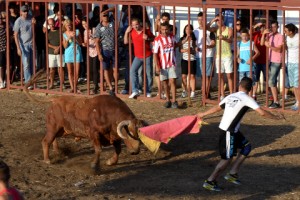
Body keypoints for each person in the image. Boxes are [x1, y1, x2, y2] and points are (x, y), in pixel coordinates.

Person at [197, 77, 284, 191]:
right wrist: (276, 118)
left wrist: (203, 113)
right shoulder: (247, 99)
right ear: (251, 88)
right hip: (228, 131)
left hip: (232, 130)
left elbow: (218, 108)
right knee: (226, 159)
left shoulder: (231, 96)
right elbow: (262, 113)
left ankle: (232, 173)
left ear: (239, 85)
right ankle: (210, 181)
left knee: (246, 147)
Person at [124, 18, 154, 98]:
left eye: (136, 24)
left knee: (149, 74)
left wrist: (148, 38)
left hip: (147, 55)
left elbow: (154, 39)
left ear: (139, 24)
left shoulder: (146, 31)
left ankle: (148, 91)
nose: (135, 26)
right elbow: (125, 42)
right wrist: (126, 32)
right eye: (133, 25)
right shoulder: (132, 32)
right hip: (137, 56)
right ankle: (135, 90)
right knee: (132, 71)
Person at [153, 22, 181, 108]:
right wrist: (157, 65)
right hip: (162, 65)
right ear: (160, 30)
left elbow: (176, 45)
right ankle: (168, 100)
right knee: (165, 83)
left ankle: (174, 101)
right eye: (162, 29)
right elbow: (155, 54)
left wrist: (185, 40)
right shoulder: (157, 39)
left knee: (172, 81)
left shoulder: (172, 37)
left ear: (169, 29)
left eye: (166, 29)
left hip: (171, 63)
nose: (164, 31)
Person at [207, 14, 234, 100]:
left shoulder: (229, 29)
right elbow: (206, 27)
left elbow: (230, 40)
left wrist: (224, 38)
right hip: (219, 56)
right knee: (220, 76)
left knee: (229, 75)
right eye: (217, 20)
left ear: (223, 20)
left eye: (220, 20)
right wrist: (213, 19)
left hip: (227, 55)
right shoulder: (216, 29)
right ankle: (222, 95)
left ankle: (231, 94)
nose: (218, 22)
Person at [261, 21, 284, 109]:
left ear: (278, 27)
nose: (273, 28)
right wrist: (263, 34)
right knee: (272, 81)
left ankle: (276, 101)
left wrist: (270, 46)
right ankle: (275, 100)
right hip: (270, 60)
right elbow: (262, 43)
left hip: (276, 61)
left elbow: (279, 49)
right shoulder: (269, 35)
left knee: (271, 81)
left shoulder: (280, 36)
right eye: (272, 27)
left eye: (275, 27)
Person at [194, 12, 216, 99]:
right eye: (199, 19)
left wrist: (209, 46)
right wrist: (195, 47)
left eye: (202, 19)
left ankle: (206, 93)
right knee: (202, 76)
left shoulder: (209, 31)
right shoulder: (195, 31)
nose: (200, 21)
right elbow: (193, 43)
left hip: (208, 54)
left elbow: (213, 43)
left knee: (207, 75)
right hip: (199, 55)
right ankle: (205, 92)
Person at [94, 10, 116, 96]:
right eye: (103, 15)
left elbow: (114, 9)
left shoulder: (112, 22)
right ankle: (110, 87)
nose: (105, 17)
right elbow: (96, 41)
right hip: (105, 50)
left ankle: (113, 84)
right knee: (106, 69)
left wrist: (106, 11)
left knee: (115, 69)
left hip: (114, 49)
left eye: (106, 15)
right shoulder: (99, 27)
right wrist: (99, 54)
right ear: (101, 17)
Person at [13, 5, 36, 87]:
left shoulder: (31, 18)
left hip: (32, 44)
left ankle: (32, 81)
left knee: (33, 64)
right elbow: (15, 35)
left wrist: (34, 24)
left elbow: (33, 30)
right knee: (26, 64)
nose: (26, 13)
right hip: (24, 45)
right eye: (24, 11)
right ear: (21, 12)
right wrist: (18, 48)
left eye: (26, 11)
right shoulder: (18, 21)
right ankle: (28, 82)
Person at [237, 28, 260, 97]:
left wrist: (251, 59)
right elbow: (237, 55)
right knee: (241, 84)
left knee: (250, 84)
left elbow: (258, 52)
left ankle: (250, 98)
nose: (245, 37)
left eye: (246, 36)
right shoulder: (239, 43)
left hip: (250, 68)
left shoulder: (251, 43)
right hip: (241, 68)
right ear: (240, 35)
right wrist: (238, 59)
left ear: (248, 35)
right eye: (243, 36)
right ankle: (241, 98)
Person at [62, 19, 83, 93]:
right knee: (70, 71)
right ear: (65, 26)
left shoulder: (77, 31)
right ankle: (73, 87)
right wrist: (68, 38)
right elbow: (65, 46)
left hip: (77, 52)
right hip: (68, 53)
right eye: (67, 25)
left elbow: (81, 42)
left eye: (70, 25)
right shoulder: (64, 34)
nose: (69, 26)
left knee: (77, 72)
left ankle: (75, 87)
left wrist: (76, 37)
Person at [82, 18, 99, 94]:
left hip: (96, 51)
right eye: (83, 24)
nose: (84, 25)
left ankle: (95, 86)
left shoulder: (94, 29)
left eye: (86, 23)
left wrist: (92, 38)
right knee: (90, 69)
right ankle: (94, 83)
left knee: (95, 69)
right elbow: (86, 42)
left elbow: (98, 39)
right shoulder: (85, 31)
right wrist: (84, 44)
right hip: (89, 52)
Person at [284, 23, 299, 111]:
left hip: (297, 63)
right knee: (293, 84)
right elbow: (286, 49)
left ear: (291, 31)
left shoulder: (298, 37)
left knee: (297, 85)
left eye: (286, 31)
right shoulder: (286, 38)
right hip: (290, 62)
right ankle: (297, 101)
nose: (284, 32)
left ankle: (298, 102)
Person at [179, 24, 197, 98]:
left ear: (192, 30)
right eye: (186, 29)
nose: (188, 30)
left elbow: (195, 49)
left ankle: (193, 91)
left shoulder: (194, 39)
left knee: (192, 76)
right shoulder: (182, 39)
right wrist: (186, 50)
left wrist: (193, 50)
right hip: (184, 59)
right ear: (184, 30)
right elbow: (179, 49)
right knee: (183, 76)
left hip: (192, 59)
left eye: (189, 29)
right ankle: (184, 90)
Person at [47, 18, 65, 89]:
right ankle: (51, 84)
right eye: (50, 24)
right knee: (52, 69)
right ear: (48, 25)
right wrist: (55, 48)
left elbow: (63, 40)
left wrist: (59, 48)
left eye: (53, 23)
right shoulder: (47, 32)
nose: (52, 25)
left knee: (61, 69)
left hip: (60, 53)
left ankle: (62, 83)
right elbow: (47, 43)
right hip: (51, 53)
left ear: (55, 22)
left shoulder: (60, 31)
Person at [252, 22, 267, 100]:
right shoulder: (256, 34)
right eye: (261, 27)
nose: (262, 28)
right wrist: (255, 26)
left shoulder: (268, 35)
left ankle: (269, 95)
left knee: (267, 79)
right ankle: (254, 95)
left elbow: (262, 44)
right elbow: (248, 33)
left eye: (263, 27)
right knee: (255, 79)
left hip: (265, 60)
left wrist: (264, 34)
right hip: (256, 60)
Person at [0, 13, 6, 89]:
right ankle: (1, 81)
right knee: (1, 66)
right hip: (0, 49)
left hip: (7, 48)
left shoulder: (5, 25)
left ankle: (5, 79)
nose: (1, 20)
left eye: (1, 18)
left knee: (7, 65)